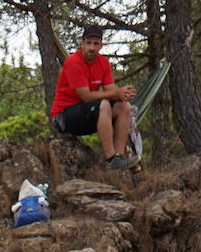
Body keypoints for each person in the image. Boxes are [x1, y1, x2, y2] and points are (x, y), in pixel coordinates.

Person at [50, 26, 138, 171]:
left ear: (101, 45)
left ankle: (119, 157)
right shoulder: (73, 62)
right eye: (89, 43)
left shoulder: (103, 63)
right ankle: (110, 159)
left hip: (88, 115)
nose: (92, 47)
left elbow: (111, 92)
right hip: (65, 117)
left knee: (124, 106)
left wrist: (123, 94)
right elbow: (86, 96)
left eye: (96, 44)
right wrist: (117, 93)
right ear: (82, 43)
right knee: (103, 104)